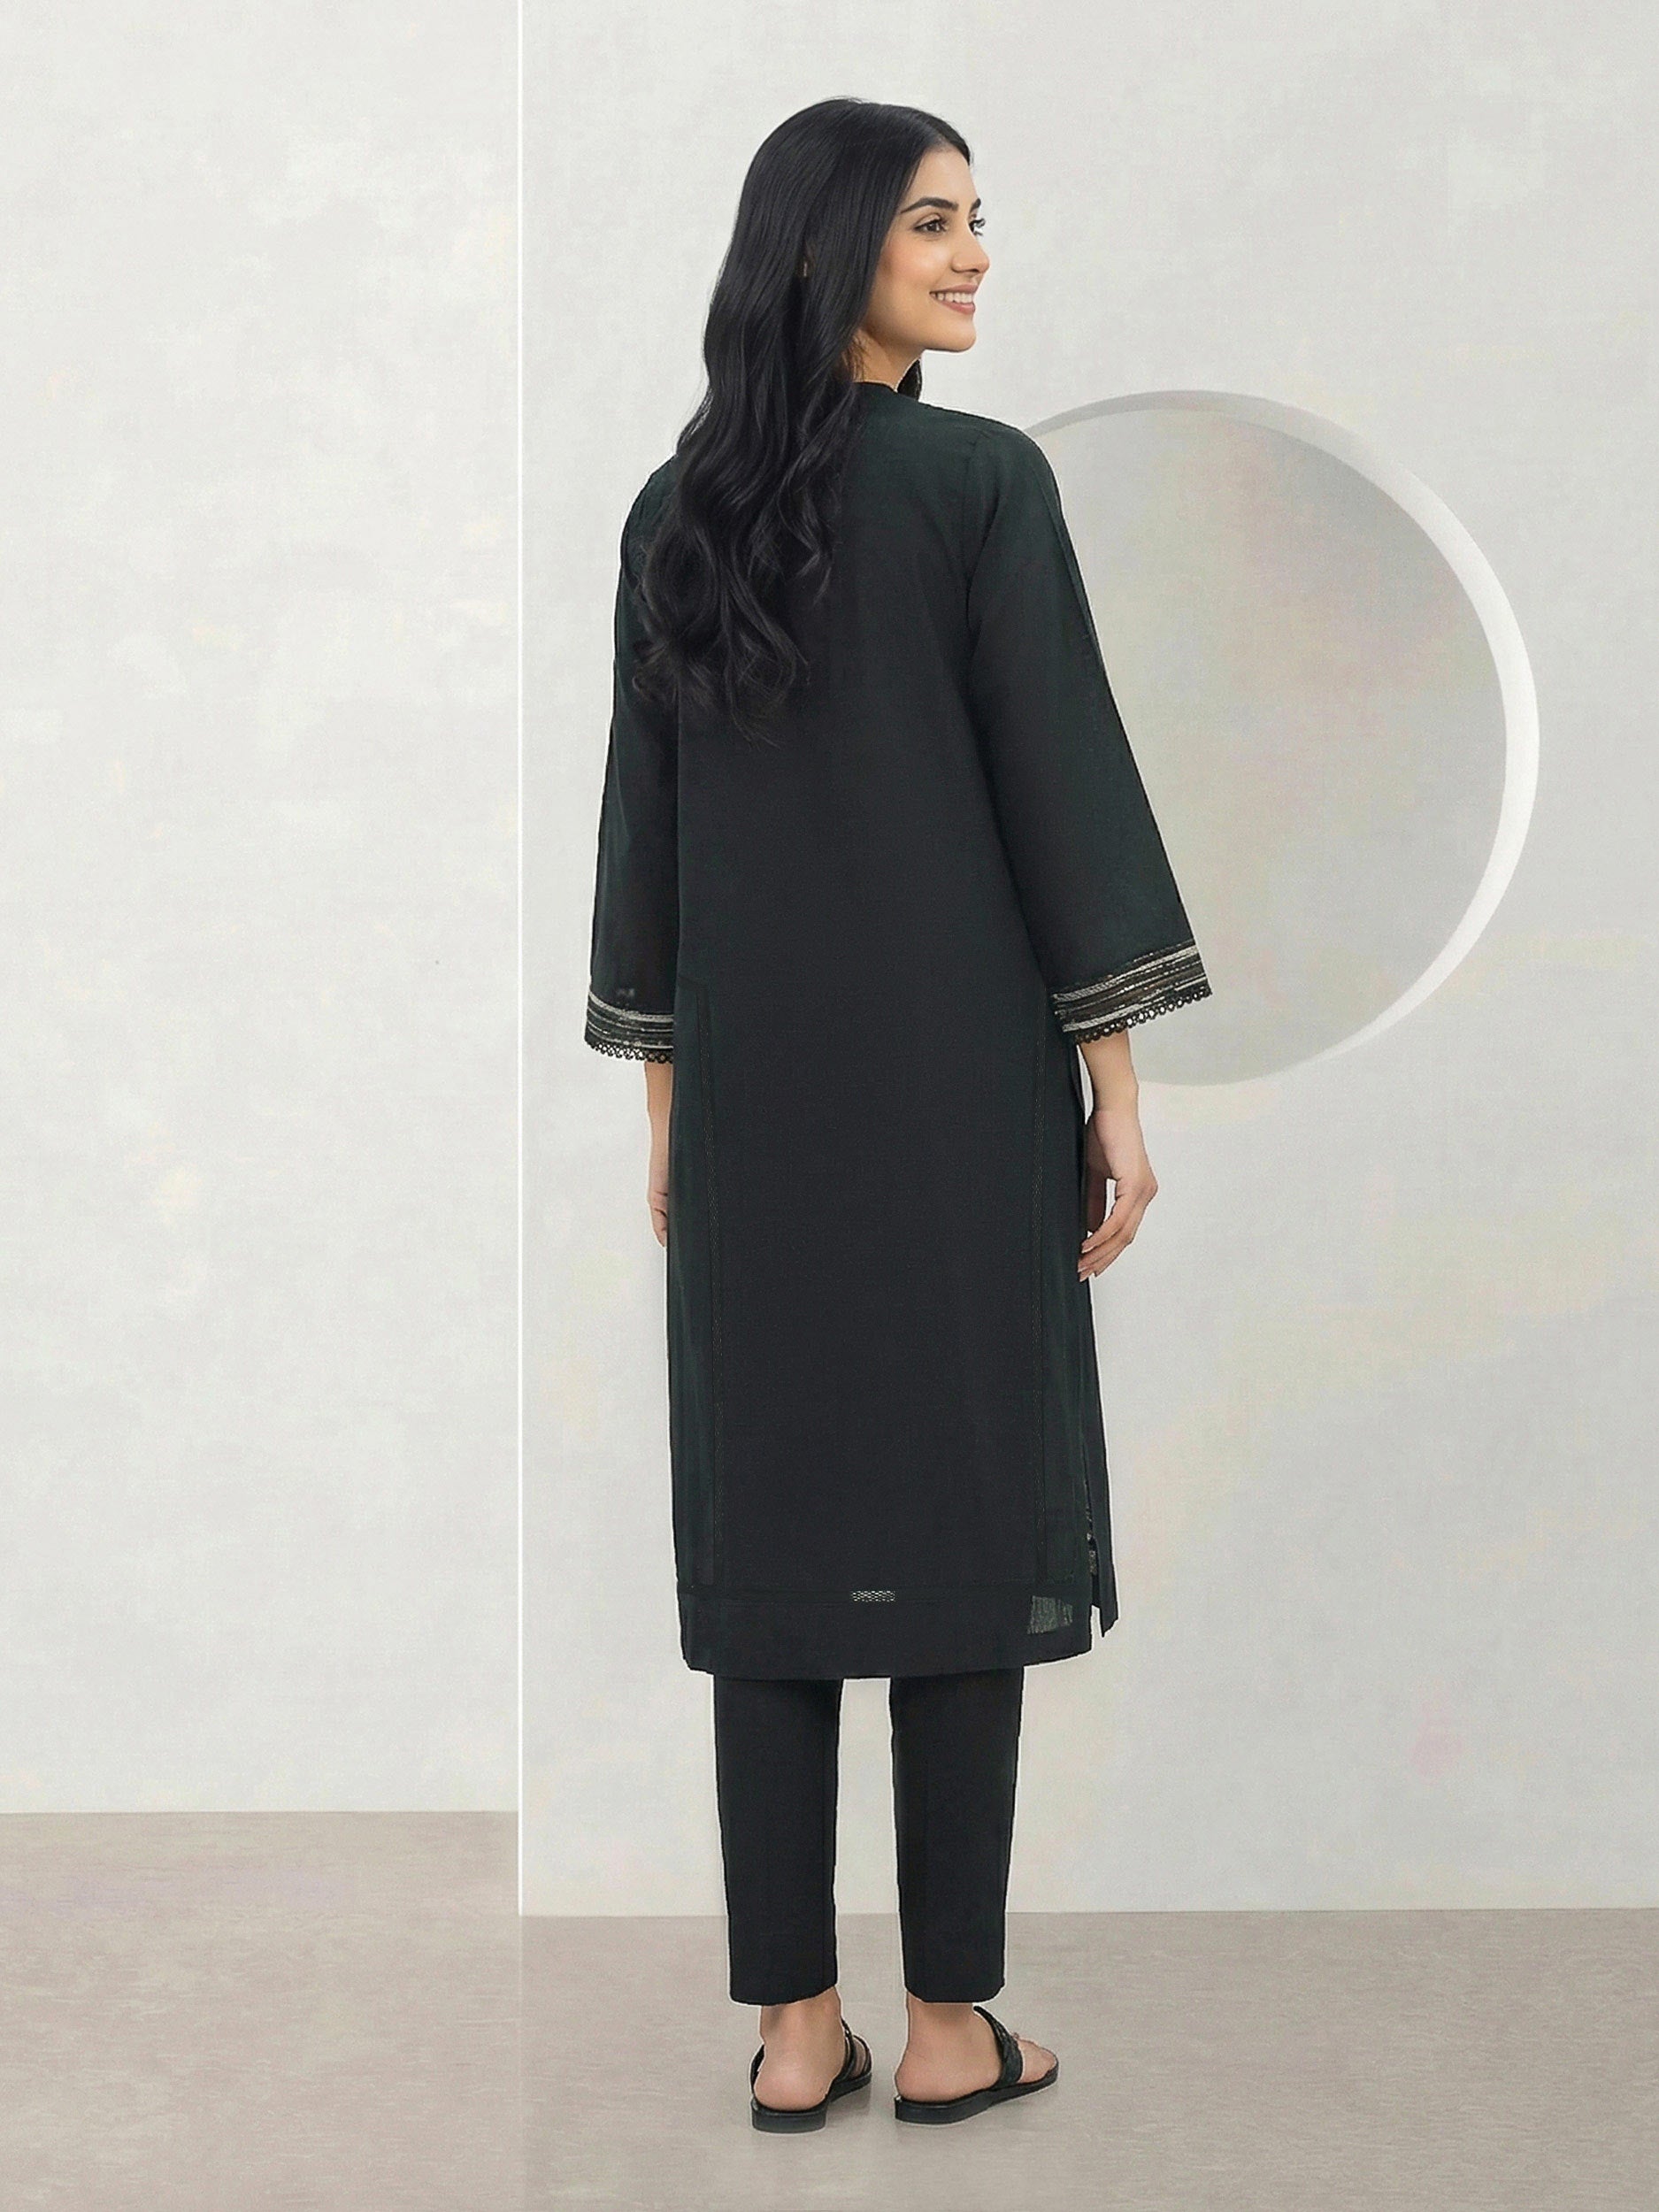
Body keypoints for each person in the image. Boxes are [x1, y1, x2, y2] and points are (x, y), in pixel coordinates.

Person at [582, 98, 1212, 2131]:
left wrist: (668, 1112)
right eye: (932, 222)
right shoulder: (980, 484)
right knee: (955, 1526)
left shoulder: (673, 511)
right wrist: (1113, 1090)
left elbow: (644, 848)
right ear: (826, 244)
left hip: (753, 1112)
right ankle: (949, 2026)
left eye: (974, 220)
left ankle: (792, 2031)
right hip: (956, 1103)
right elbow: (1060, 790)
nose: (972, 254)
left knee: (767, 1544)